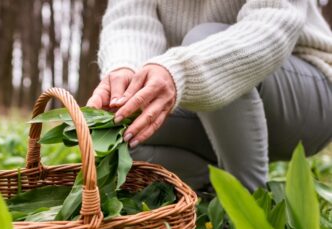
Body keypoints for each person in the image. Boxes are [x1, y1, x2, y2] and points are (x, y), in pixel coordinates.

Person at [87, 0, 332, 192]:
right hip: (206, 106)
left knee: (204, 38)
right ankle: (213, 190)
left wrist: (181, 70)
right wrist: (125, 70)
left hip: (306, 95)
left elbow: (274, 20)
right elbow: (129, 20)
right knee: (121, 130)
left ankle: (246, 211)